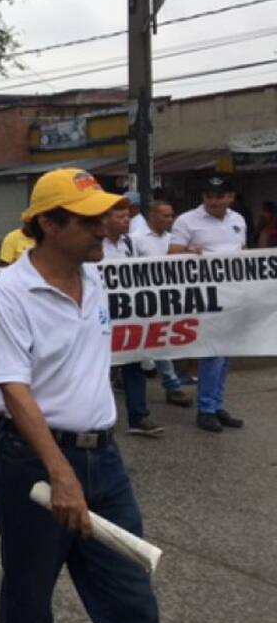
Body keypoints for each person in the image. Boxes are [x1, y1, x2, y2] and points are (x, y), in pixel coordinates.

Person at [0, 168, 181, 623]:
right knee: (29, 610)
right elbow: (13, 387)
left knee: (133, 607)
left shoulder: (94, 277)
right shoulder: (9, 293)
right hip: (35, 468)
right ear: (49, 223)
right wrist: (61, 473)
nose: (104, 228)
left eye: (104, 217)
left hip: (105, 464)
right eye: (90, 220)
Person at [169, 176, 247, 433]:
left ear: (230, 197)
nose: (213, 201)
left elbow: (242, 253)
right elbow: (172, 255)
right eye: (208, 197)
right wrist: (192, 255)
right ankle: (206, 410)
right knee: (212, 352)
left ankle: (217, 404)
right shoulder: (187, 220)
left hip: (233, 294)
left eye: (219, 196)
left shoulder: (237, 220)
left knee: (226, 355)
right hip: (205, 296)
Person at [99, 204, 164, 438]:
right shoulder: (95, 245)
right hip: (102, 316)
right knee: (101, 369)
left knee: (134, 363)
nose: (127, 220)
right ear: (105, 220)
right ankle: (99, 419)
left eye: (127, 216)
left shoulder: (129, 243)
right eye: (120, 216)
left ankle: (139, 416)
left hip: (128, 314)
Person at [131, 199, 193, 407]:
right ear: (152, 216)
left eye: (171, 215)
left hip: (169, 298)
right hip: (144, 299)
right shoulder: (136, 239)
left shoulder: (174, 240)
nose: (170, 219)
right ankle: (172, 385)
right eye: (165, 215)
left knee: (161, 339)